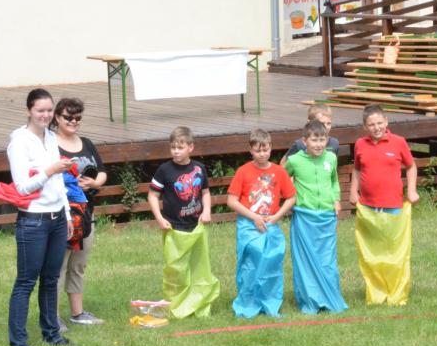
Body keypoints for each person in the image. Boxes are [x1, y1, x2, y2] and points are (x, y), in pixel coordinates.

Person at [6, 88, 74, 346]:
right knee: (26, 281)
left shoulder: (51, 137)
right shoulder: (19, 142)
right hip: (33, 220)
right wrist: (49, 170)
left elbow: (59, 183)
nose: (45, 115)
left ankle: (52, 333)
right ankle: (19, 343)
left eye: (49, 110)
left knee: (51, 278)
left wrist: (66, 214)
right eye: (40, 110)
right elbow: (22, 186)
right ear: (29, 111)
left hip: (57, 218)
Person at [349, 104, 419, 305]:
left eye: (380, 123)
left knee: (393, 252)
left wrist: (411, 190)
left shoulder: (398, 142)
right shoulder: (360, 144)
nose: (376, 127)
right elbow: (357, 170)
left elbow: (411, 167)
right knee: (373, 253)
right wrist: (353, 191)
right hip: (368, 208)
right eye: (371, 124)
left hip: (393, 207)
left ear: (386, 121)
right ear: (365, 126)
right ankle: (377, 291)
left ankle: (395, 291)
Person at [148, 126, 220, 318]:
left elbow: (205, 192)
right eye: (173, 147)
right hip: (173, 227)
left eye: (180, 148)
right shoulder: (164, 170)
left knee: (198, 267)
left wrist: (207, 211)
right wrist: (160, 218)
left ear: (191, 147)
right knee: (176, 269)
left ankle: (197, 302)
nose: (176, 152)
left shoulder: (199, 168)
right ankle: (176, 304)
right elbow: (153, 195)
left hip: (196, 226)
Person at [51, 97, 107, 332]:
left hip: (86, 215)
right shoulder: (49, 143)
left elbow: (102, 172)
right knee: (58, 267)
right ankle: (52, 317)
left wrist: (94, 183)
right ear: (57, 117)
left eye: (77, 117)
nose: (73, 121)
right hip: (63, 215)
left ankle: (77, 313)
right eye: (68, 117)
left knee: (78, 265)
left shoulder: (86, 143)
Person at [227, 129, 296, 318]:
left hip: (270, 225)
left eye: (265, 150)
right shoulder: (243, 171)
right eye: (258, 151)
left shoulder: (279, 172)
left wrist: (277, 216)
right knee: (250, 265)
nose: (262, 154)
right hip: (248, 226)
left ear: (271, 148)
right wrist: (254, 217)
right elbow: (231, 201)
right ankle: (249, 302)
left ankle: (269, 302)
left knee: (271, 264)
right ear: (251, 150)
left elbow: (291, 197)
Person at [285, 119, 348, 314]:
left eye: (322, 140)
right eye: (314, 140)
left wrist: (336, 200)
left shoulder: (331, 158)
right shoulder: (294, 161)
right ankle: (310, 299)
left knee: (327, 260)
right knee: (305, 260)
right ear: (304, 141)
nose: (319, 144)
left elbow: (334, 181)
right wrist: (290, 199)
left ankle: (329, 297)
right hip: (305, 217)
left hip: (327, 216)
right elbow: (282, 179)